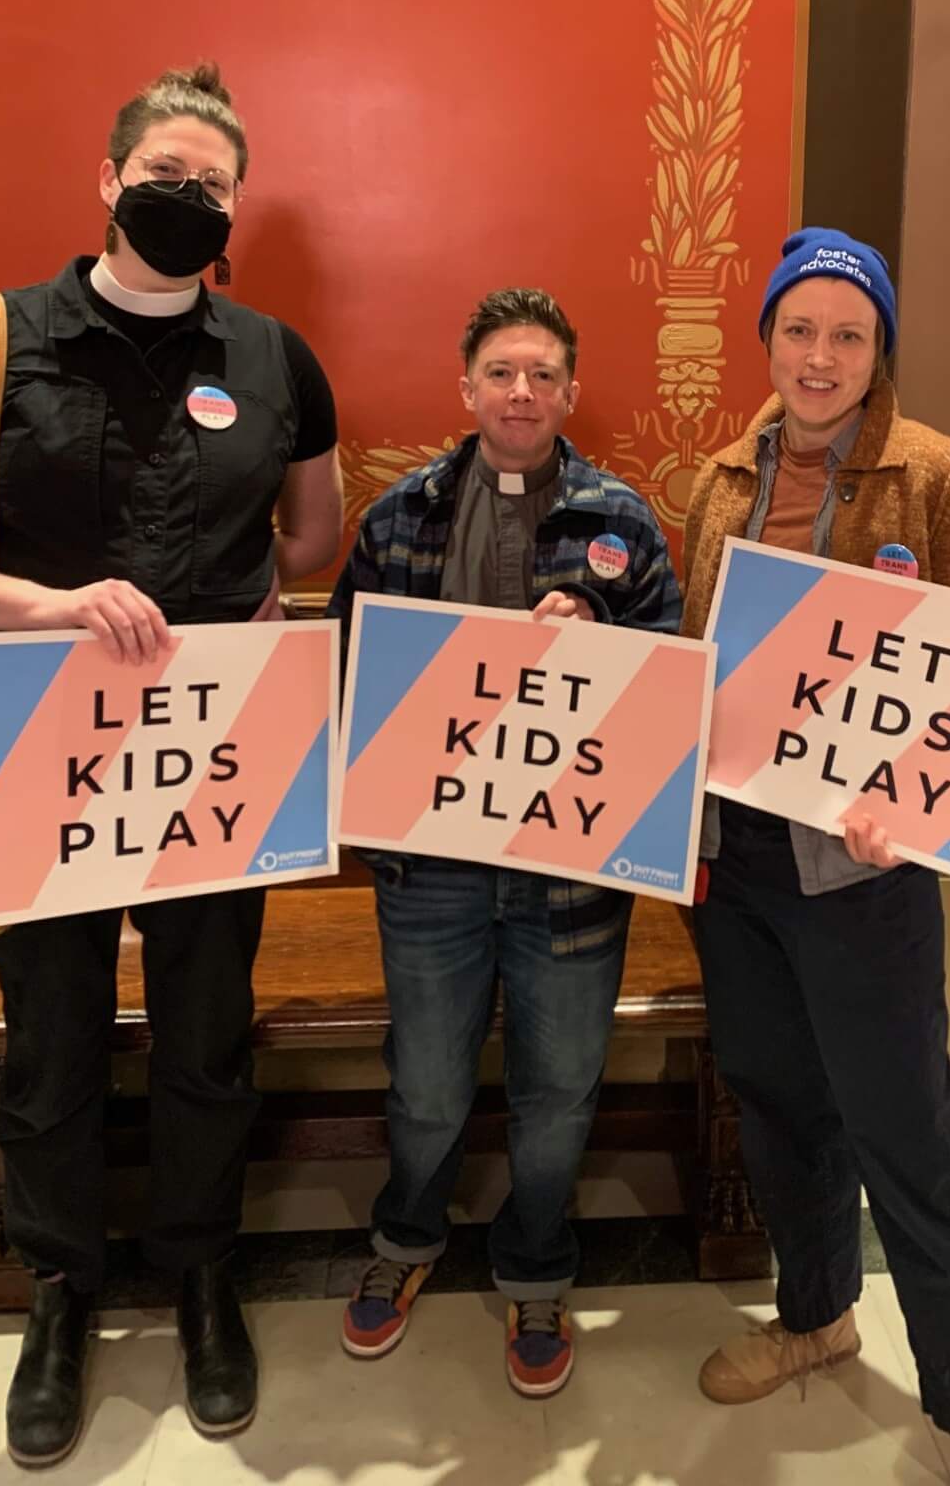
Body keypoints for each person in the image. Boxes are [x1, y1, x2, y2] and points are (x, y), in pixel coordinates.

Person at [0, 63, 343, 1467]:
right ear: (108, 177)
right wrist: (51, 607)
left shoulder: (274, 358)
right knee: (51, 1025)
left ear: (239, 204)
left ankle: (201, 1277)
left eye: (212, 185)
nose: (185, 200)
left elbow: (311, 539)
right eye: (164, 175)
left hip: (216, 745)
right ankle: (62, 1294)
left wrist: (248, 603)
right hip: (40, 741)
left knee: (205, 1023)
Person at [680, 228, 950, 1486]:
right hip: (740, 866)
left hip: (868, 876)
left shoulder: (944, 482)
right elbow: (697, 662)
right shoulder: (720, 478)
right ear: (769, 340)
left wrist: (927, 809)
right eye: (800, 330)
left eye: (848, 333)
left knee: (909, 1139)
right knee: (782, 1111)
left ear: (877, 347)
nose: (822, 355)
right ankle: (816, 1317)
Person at [327, 287, 679, 1398]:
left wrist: (604, 640)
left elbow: (677, 685)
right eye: (500, 373)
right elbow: (349, 678)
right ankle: (406, 1242)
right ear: (466, 387)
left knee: (561, 1087)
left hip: (571, 879)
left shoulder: (622, 521)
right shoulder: (397, 517)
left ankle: (537, 1263)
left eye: (541, 375)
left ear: (570, 393)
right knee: (426, 1082)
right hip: (431, 874)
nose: (520, 393)